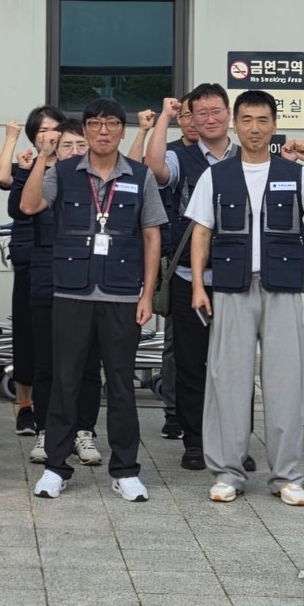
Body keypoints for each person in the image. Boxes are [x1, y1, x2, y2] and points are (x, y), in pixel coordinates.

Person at [186, 90, 304, 506]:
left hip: (282, 287)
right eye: (247, 120)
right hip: (231, 287)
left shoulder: (296, 173)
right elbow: (202, 231)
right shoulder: (216, 175)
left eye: (262, 120)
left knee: (285, 381)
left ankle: (286, 475)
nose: (254, 128)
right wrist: (199, 285)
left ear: (274, 125)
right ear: (235, 124)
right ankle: (227, 472)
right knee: (227, 380)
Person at [21, 99, 165, 502]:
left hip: (122, 292)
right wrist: (43, 158)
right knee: (66, 380)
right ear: (84, 130)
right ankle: (56, 467)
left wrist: (147, 294)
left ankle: (125, 469)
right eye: (96, 124)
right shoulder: (64, 172)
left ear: (122, 129)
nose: (104, 131)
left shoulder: (140, 175)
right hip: (72, 291)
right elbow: (29, 205)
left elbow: (152, 235)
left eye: (112, 123)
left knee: (120, 383)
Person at [145, 83, 250, 472]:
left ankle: (237, 444)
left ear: (229, 114)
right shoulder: (180, 156)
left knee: (237, 366)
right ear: (189, 117)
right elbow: (154, 167)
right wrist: (165, 117)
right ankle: (195, 441)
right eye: (199, 112)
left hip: (239, 277)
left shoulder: (249, 155)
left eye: (216, 110)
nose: (209, 118)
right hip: (190, 275)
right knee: (191, 364)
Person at [20, 118, 104, 467]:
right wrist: (42, 158)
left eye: (80, 145)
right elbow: (23, 207)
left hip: (90, 283)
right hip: (48, 280)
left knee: (88, 363)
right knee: (47, 362)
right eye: (66, 145)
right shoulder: (46, 176)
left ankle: (84, 430)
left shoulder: (100, 182)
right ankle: (46, 430)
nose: (73, 151)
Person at [0, 106, 65, 436]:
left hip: (63, 261)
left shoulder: (71, 168)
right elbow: (2, 179)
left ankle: (59, 408)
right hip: (28, 259)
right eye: (41, 130)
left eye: (54, 129)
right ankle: (25, 406)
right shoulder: (26, 165)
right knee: (26, 336)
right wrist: (10, 139)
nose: (49, 135)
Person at [134, 96, 195, 441]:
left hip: (224, 262)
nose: (193, 121)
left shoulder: (230, 156)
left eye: (198, 114)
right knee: (176, 340)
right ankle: (173, 411)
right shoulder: (170, 153)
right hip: (176, 258)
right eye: (185, 115)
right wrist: (161, 120)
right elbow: (145, 169)